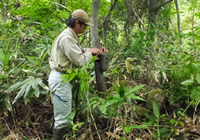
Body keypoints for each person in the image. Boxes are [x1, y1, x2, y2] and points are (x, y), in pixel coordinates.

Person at [48, 9, 108, 140]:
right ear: (77, 23)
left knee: (64, 115)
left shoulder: (69, 36)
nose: (85, 28)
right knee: (62, 119)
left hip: (62, 78)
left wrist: (93, 51)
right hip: (60, 79)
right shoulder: (67, 38)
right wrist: (89, 53)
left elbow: (78, 51)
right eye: (84, 25)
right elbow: (79, 60)